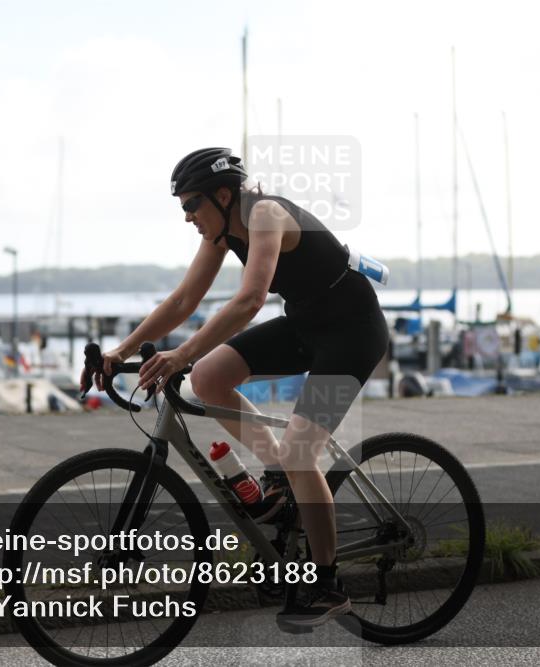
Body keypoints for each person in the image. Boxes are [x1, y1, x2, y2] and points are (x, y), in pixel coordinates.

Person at [85, 147, 389, 628]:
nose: (187, 217)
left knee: (300, 452)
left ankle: (328, 583)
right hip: (307, 326)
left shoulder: (266, 215)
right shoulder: (224, 229)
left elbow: (249, 299)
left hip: (353, 335)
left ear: (223, 196)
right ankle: (276, 481)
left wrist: (180, 353)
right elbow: (184, 298)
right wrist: (123, 350)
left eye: (191, 206)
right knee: (208, 377)